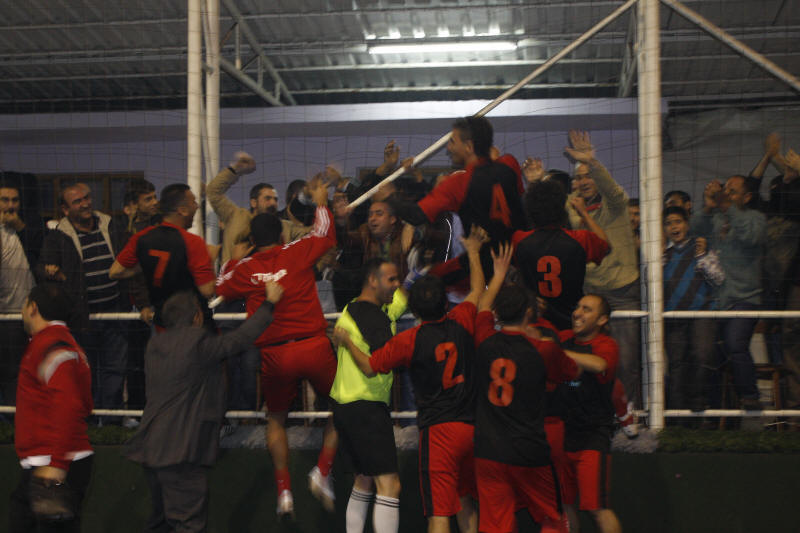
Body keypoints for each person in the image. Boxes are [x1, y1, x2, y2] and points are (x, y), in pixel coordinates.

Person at [338, 227, 489, 533]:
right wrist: (473, 252)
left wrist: (347, 342)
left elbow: (369, 367)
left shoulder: (409, 340)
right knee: (466, 502)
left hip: (439, 432)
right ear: (445, 303)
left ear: (415, 309)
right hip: (471, 427)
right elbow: (477, 290)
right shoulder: (461, 320)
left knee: (439, 513)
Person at [215, 177, 338, 517]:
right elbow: (325, 234)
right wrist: (322, 201)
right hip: (314, 346)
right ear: (282, 237)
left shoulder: (247, 268)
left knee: (276, 421)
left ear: (253, 241)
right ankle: (322, 471)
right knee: (345, 406)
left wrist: (233, 260)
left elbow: (220, 285)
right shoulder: (297, 251)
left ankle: (284, 493)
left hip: (275, 355)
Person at [126, 281, 283, 533]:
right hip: (181, 452)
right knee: (189, 524)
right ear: (198, 316)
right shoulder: (197, 343)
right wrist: (269, 304)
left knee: (160, 523)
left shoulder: (155, 346)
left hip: (152, 448)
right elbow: (240, 339)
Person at [472, 257, 577, 533]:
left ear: (498, 312)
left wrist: (498, 275)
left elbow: (482, 307)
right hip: (529, 448)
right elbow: (571, 373)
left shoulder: (484, 339)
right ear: (530, 313)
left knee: (495, 526)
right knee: (552, 519)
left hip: (488, 449)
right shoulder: (544, 349)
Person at [379, 116, 526, 283]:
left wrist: (390, 197)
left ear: (469, 146)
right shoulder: (509, 163)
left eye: (452, 142)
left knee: (423, 281)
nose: (448, 148)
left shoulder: (459, 183)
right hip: (520, 255)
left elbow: (417, 215)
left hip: (483, 264)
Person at [37, 181, 129, 414]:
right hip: (81, 317)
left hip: (116, 311)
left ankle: (111, 420)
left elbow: (129, 259)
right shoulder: (57, 237)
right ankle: (88, 418)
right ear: (65, 209)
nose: (86, 203)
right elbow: (42, 268)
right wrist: (51, 271)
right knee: (86, 370)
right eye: (77, 201)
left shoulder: (111, 225)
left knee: (115, 368)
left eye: (87, 197)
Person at [329, 258, 407, 533]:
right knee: (390, 485)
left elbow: (401, 298)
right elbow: (374, 365)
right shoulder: (373, 317)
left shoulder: (353, 308)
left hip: (345, 406)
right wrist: (350, 344)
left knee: (363, 481)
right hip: (367, 408)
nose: (396, 285)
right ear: (373, 281)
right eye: (391, 280)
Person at [565, 130, 642, 408]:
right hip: (591, 293)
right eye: (578, 178)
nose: (583, 181)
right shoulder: (573, 206)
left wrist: (592, 162)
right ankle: (595, 412)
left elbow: (610, 188)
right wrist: (537, 180)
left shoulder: (616, 204)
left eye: (588, 176)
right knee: (590, 358)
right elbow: (551, 201)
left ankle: (629, 416)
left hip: (622, 291)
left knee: (626, 361)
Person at [10, 283, 93, 533]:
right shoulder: (68, 345)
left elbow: (69, 406)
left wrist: (57, 464)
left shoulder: (50, 347)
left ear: (33, 308)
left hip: (51, 464)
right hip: (56, 461)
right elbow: (85, 405)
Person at [690, 176, 766, 410]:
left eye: (732, 192)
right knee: (710, 353)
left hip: (745, 297)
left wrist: (727, 207)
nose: (727, 195)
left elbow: (750, 237)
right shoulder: (716, 218)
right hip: (715, 299)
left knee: (735, 343)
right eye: (725, 190)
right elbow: (693, 230)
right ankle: (714, 411)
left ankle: (750, 397)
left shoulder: (756, 218)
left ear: (747, 197)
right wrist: (708, 207)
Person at [110, 183, 216, 330]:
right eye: (193, 202)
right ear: (182, 210)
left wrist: (148, 264)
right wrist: (212, 260)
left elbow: (115, 272)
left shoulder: (140, 238)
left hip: (162, 324)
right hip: (192, 325)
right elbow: (208, 290)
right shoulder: (192, 242)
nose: (197, 206)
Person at [557, 294, 622, 533]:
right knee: (564, 505)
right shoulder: (563, 338)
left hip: (592, 436)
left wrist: (558, 352)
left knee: (597, 508)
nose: (577, 313)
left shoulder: (606, 345)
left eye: (586, 309)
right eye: (577, 307)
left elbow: (600, 365)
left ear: (602, 320)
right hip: (561, 434)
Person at [512, 178, 609, 330]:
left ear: (530, 211)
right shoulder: (581, 239)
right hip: (572, 320)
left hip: (535, 319)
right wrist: (584, 213)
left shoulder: (519, 240)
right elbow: (605, 245)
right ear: (562, 209)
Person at [663, 206, 723, 412]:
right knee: (676, 365)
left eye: (677, 222)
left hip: (702, 313)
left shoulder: (701, 247)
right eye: (668, 223)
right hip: (673, 315)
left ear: (687, 224)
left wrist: (702, 257)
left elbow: (718, 279)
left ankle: (698, 404)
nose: (674, 227)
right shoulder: (662, 254)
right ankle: (677, 416)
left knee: (703, 356)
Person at [0, 180, 40, 405]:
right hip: (4, 312)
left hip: (27, 312)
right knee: (8, 372)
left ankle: (18, 417)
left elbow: (40, 247)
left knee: (23, 370)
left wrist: (20, 226)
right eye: (4, 200)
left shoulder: (29, 226)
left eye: (14, 200)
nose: (10, 205)